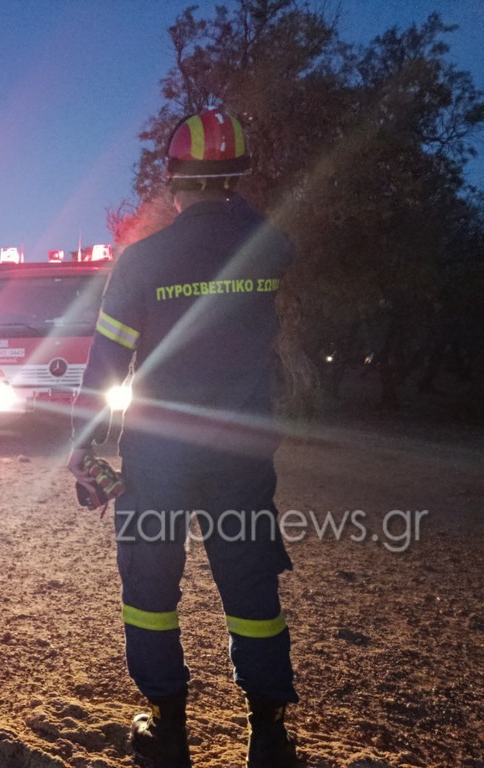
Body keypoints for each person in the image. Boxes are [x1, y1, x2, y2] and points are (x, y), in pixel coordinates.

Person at [68, 108, 299, 768]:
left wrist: (84, 448)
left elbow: (106, 365)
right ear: (237, 178)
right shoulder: (272, 246)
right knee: (251, 586)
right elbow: (276, 249)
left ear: (176, 184)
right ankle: (269, 732)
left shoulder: (141, 263)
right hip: (243, 453)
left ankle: (167, 728)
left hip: (159, 456)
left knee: (150, 587)